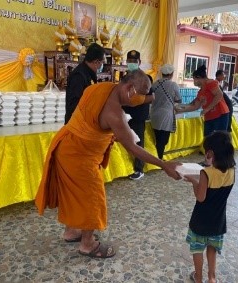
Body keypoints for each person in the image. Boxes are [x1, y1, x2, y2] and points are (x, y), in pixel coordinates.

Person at [35, 70, 182, 259]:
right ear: (129, 88)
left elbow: (91, 121)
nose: (144, 98)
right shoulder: (115, 114)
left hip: (65, 146)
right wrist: (164, 164)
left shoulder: (98, 88)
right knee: (92, 199)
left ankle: (71, 231)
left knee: (72, 195)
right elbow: (133, 149)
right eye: (142, 93)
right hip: (81, 158)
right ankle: (87, 245)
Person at [184, 131, 235, 283]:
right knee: (212, 249)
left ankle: (198, 277)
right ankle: (212, 278)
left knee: (198, 249)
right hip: (218, 221)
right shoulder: (232, 171)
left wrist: (194, 182)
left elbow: (201, 197)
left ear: (210, 153)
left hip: (200, 221)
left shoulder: (206, 173)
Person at [175, 65, 230, 166]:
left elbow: (219, 95)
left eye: (194, 79)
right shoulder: (201, 91)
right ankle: (208, 161)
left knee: (221, 140)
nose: (194, 82)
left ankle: (224, 162)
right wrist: (180, 110)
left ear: (198, 77)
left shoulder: (211, 83)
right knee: (208, 140)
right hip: (209, 117)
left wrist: (208, 108)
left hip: (220, 115)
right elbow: (194, 106)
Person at [123, 50, 155, 180]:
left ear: (139, 62)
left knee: (138, 142)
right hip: (125, 115)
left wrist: (137, 101)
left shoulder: (144, 78)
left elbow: (152, 97)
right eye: (129, 61)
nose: (131, 63)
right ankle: (125, 166)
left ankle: (139, 169)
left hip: (138, 116)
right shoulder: (125, 77)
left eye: (134, 61)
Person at [65, 43, 105, 124]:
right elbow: (74, 104)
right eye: (102, 62)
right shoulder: (79, 76)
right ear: (96, 62)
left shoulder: (89, 73)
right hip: (76, 124)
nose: (102, 65)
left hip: (85, 121)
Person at [150, 64, 182, 159]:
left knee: (157, 138)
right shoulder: (173, 85)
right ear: (171, 74)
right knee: (163, 140)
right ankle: (159, 159)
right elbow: (179, 100)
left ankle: (157, 158)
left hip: (154, 114)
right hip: (166, 115)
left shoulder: (154, 84)